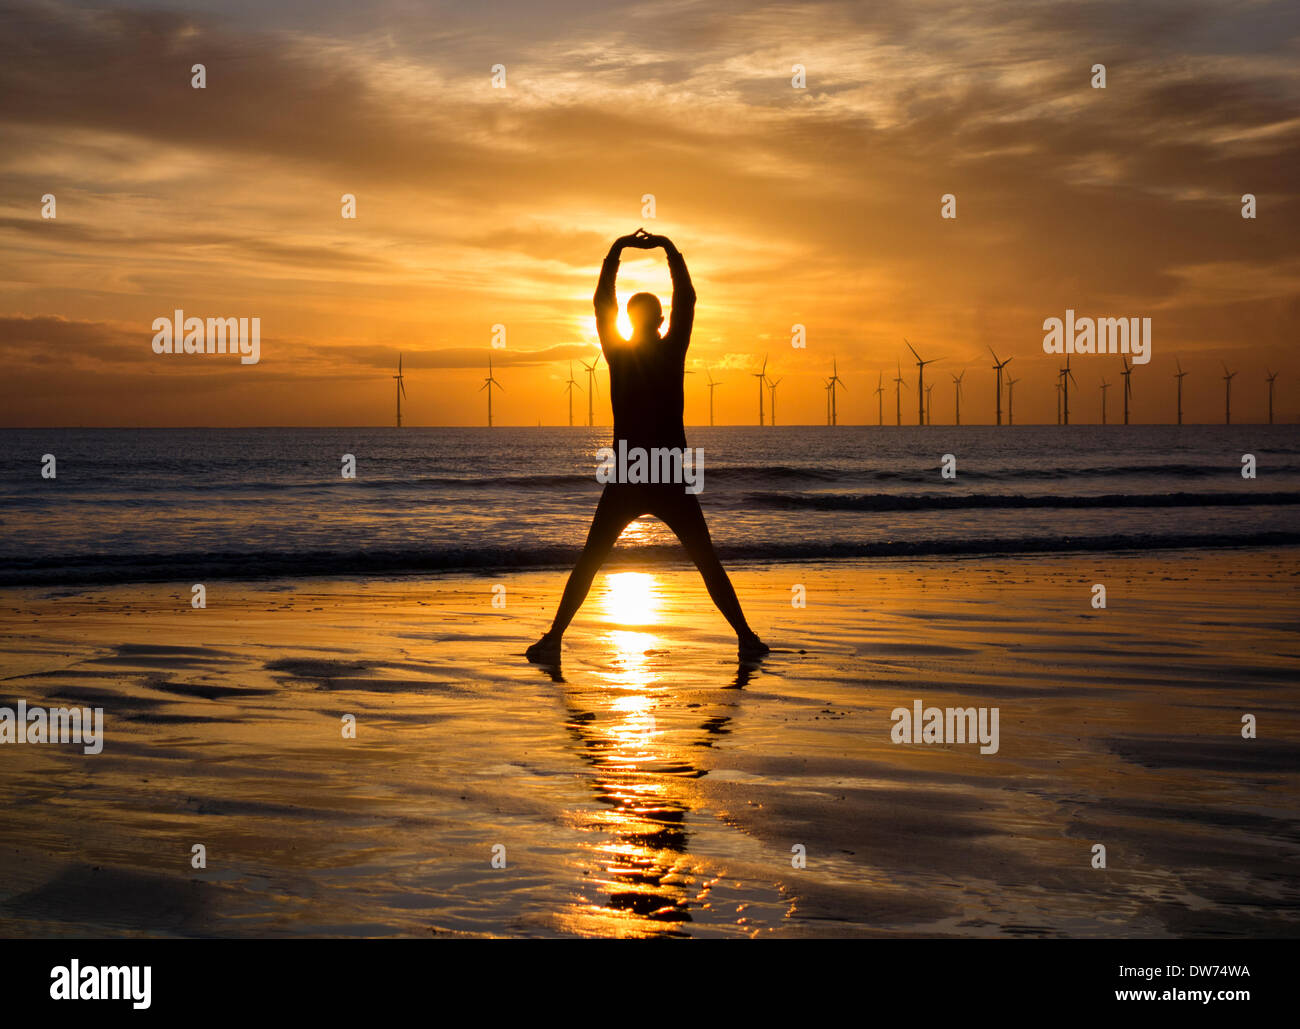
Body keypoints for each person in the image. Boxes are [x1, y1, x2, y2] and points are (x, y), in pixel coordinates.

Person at [526, 229, 769, 662]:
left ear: (630, 321)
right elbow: (687, 300)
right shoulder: (670, 349)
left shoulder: (618, 353)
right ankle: (746, 637)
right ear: (659, 322)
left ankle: (554, 638)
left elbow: (603, 305)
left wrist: (616, 252)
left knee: (591, 560)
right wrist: (669, 250)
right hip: (667, 471)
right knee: (705, 561)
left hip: (630, 472)